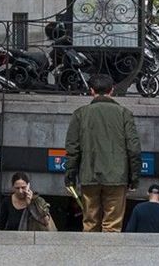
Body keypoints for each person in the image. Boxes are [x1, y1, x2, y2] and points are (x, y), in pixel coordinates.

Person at [65, 73, 141, 232]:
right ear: (112, 90)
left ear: (91, 91)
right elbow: (133, 148)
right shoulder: (124, 113)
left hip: (89, 176)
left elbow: (73, 149)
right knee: (112, 226)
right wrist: (134, 178)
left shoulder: (80, 114)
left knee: (90, 223)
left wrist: (70, 177)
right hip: (117, 177)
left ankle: (90, 248)